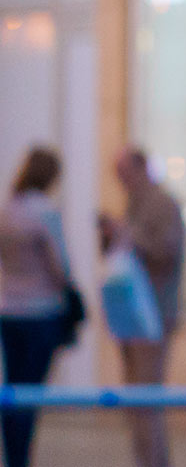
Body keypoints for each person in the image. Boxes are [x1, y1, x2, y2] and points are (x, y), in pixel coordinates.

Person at [99, 148, 184, 467]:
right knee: (136, 401)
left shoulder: (161, 203)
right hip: (135, 316)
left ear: (142, 168)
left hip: (154, 315)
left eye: (125, 174)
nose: (122, 181)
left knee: (146, 400)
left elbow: (166, 250)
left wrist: (126, 235)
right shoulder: (136, 203)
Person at [0, 147, 72, 467]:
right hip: (40, 312)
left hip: (8, 309)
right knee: (31, 392)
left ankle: (14, 456)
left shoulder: (7, 209)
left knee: (12, 389)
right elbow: (61, 269)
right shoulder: (44, 212)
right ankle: (21, 458)